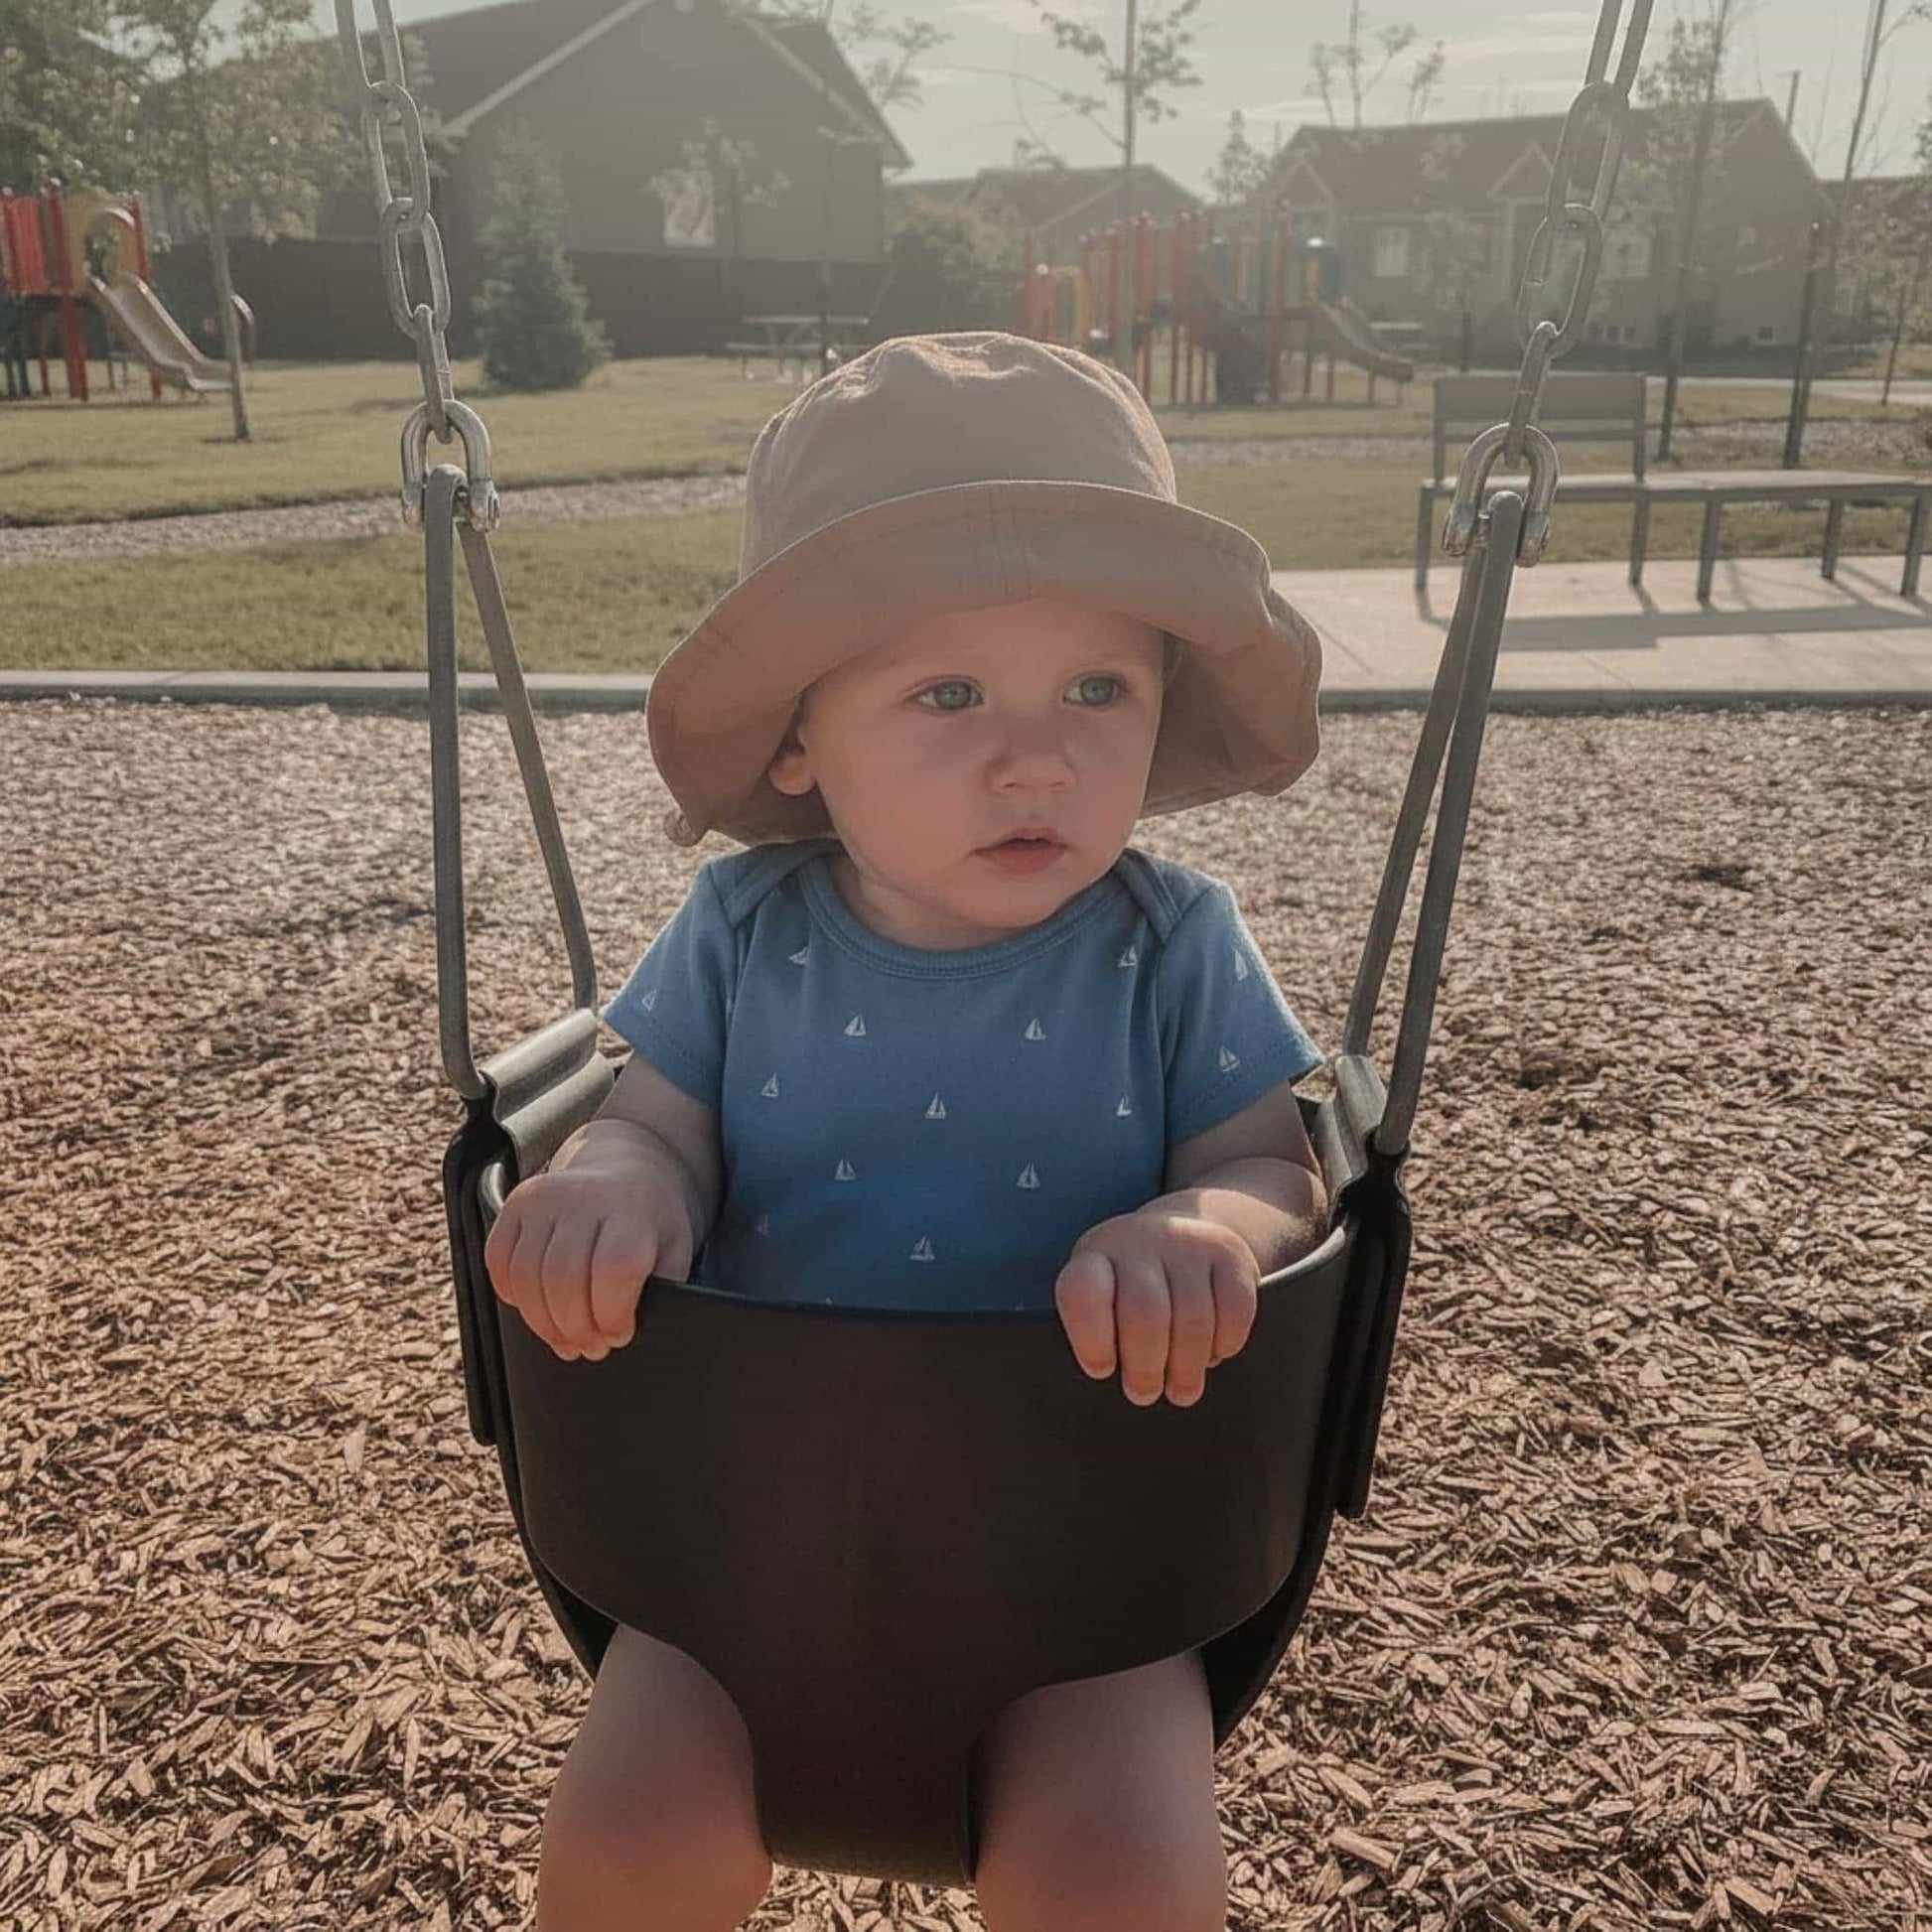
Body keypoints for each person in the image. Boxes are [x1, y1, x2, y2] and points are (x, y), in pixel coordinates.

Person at [483, 331, 1331, 1932]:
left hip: (1087, 1547)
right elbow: (651, 1122)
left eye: (1098, 686)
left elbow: (1268, 1164)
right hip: (739, 1538)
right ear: (800, 737)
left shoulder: (1175, 940)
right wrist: (613, 1181)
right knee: (622, 1859)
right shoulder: (738, 926)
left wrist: (1203, 1232)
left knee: (1122, 1880)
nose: (1038, 753)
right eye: (947, 691)